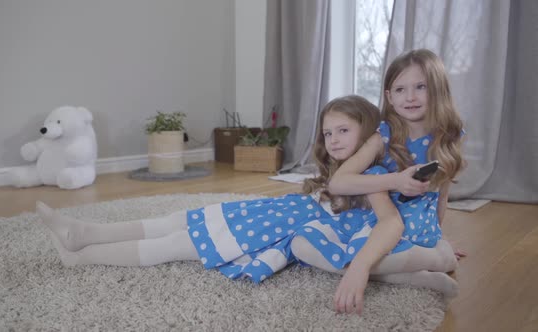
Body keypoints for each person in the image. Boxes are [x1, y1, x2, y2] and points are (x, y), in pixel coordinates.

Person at [36, 95, 455, 310]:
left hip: (274, 230)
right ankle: (88, 233)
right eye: (328, 133)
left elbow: (383, 225)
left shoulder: (373, 178)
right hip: (271, 214)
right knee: (181, 218)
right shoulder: (342, 174)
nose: (333, 140)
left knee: (180, 244)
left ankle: (85, 255)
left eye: (343, 131)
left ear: (368, 136)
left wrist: (429, 247)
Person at [315, 49, 466, 313]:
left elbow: (442, 194)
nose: (410, 97)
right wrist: (396, 180)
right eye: (400, 89)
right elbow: (338, 183)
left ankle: (373, 268)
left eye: (421, 87)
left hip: (421, 232)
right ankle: (410, 276)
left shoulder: (449, 138)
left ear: (438, 90)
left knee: (444, 257)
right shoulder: (383, 136)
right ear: (389, 97)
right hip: (381, 229)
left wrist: (439, 236)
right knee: (308, 242)